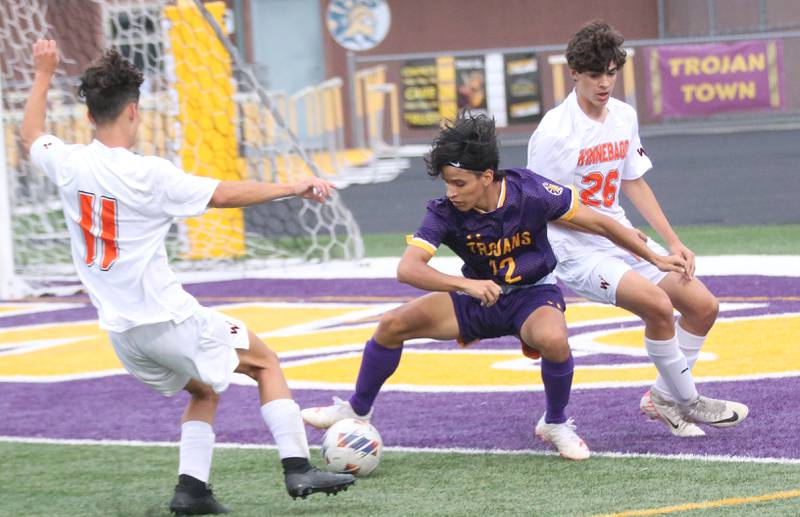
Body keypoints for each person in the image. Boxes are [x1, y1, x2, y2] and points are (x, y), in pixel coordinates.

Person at [20, 40, 355, 515]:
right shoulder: (148, 174)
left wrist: (43, 72)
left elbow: (31, 132)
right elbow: (222, 194)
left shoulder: (68, 161)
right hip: (168, 319)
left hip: (122, 334)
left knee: (203, 388)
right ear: (134, 111)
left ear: (90, 116)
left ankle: (192, 491)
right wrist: (293, 187)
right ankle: (298, 468)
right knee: (265, 362)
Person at [301, 112, 688, 461]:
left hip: (532, 295)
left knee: (554, 339)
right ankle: (357, 409)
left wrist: (653, 257)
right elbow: (409, 269)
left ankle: (555, 423)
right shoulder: (444, 210)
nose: (451, 191)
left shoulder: (530, 191)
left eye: (459, 183)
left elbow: (600, 222)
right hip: (477, 296)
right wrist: (463, 285)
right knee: (391, 325)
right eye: (447, 183)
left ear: (487, 176)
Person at [526, 20, 749, 438]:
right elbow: (545, 210)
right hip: (577, 250)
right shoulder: (555, 132)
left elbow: (633, 180)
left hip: (622, 237)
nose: (605, 82)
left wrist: (673, 242)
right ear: (574, 72)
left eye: (611, 72)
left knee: (703, 306)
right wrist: (625, 239)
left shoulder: (623, 116)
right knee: (657, 305)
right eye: (595, 74)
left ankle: (663, 398)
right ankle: (689, 401)